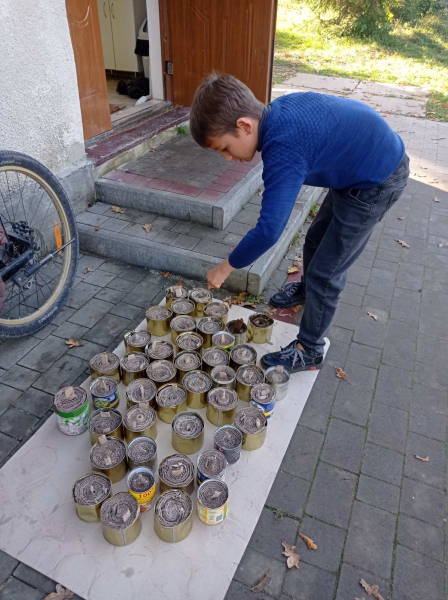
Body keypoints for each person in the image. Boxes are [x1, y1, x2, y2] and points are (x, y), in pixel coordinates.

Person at [189, 74, 409, 373]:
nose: (227, 158)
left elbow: (269, 231)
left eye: (224, 148)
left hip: (378, 179)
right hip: (356, 169)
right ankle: (306, 290)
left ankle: (310, 349)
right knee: (315, 239)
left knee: (326, 272)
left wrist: (224, 268)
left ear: (244, 125)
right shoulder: (276, 113)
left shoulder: (283, 149)